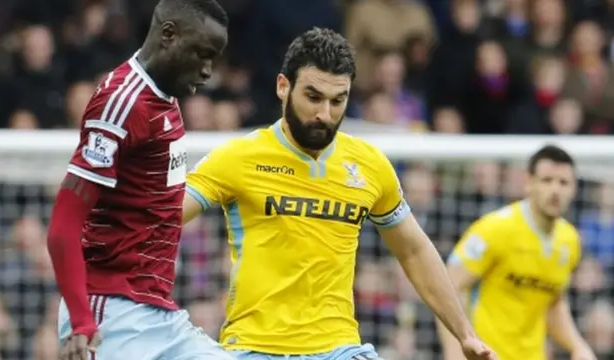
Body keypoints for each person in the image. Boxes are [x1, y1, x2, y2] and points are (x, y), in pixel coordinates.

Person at [182, 27, 497, 360]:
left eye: (338, 101)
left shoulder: (370, 165)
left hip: (340, 348)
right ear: (282, 87)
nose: (325, 115)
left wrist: (465, 334)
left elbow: (414, 251)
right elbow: (163, 217)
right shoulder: (238, 157)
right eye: (313, 97)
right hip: (255, 348)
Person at [45, 0, 233, 359]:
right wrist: (84, 321)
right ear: (168, 35)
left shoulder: (167, 95)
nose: (208, 70)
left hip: (157, 313)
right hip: (111, 314)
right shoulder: (121, 104)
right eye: (202, 54)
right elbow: (62, 226)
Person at [438, 145, 596, 360]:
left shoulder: (570, 241)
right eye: (547, 180)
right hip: (488, 356)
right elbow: (448, 289)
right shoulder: (494, 229)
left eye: (563, 183)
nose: (555, 190)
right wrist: (455, 354)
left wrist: (577, 346)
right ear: (528, 182)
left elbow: (554, 301)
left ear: (574, 189)